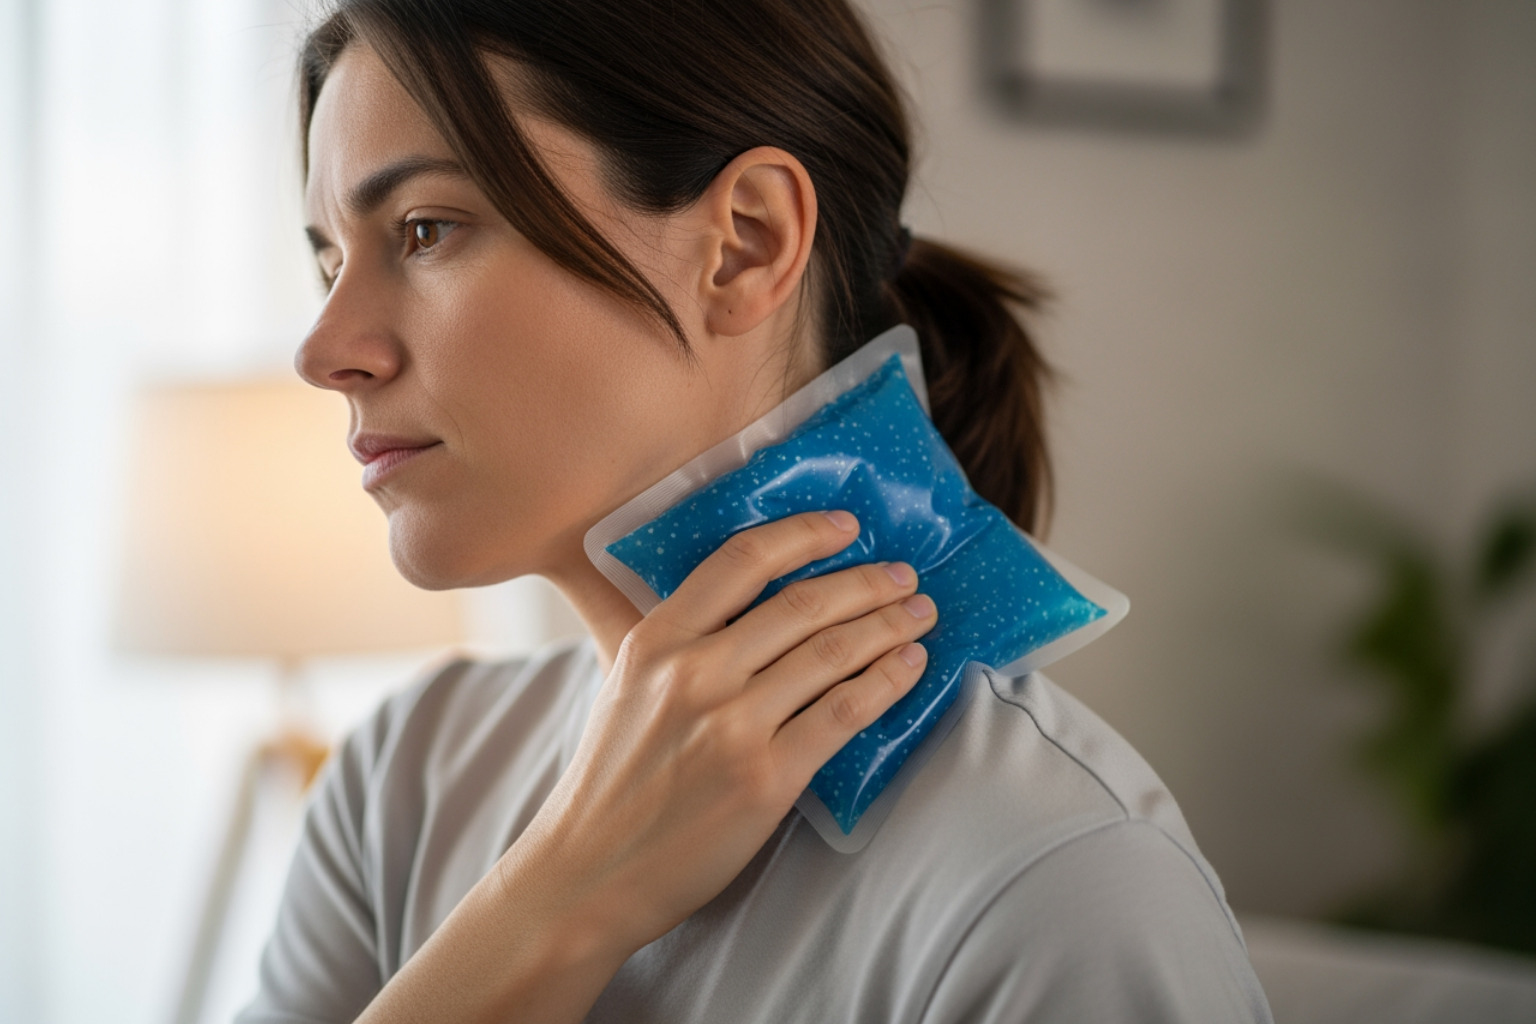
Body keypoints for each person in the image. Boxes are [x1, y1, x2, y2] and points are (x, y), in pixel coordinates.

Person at [240, 0, 1274, 1021]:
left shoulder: (1062, 888)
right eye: (329, 259)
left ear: (744, 243)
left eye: (426, 229)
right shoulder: (404, 781)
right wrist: (562, 896)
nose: (323, 350)